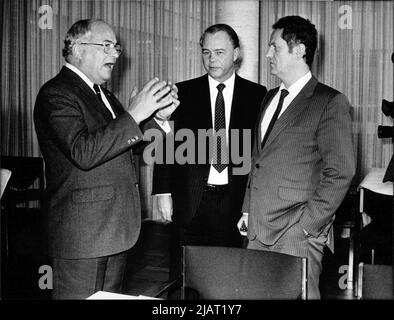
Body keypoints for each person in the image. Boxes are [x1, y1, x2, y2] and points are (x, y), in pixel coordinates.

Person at [33, 19, 179, 299]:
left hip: (112, 230)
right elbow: (83, 152)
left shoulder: (104, 95)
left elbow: (124, 145)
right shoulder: (57, 93)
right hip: (82, 236)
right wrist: (135, 114)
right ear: (77, 49)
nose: (115, 54)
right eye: (106, 46)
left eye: (116, 48)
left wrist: (158, 120)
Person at [237, 15, 356, 299]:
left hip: (297, 233)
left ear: (300, 49)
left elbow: (341, 172)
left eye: (274, 47)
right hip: (257, 229)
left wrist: (309, 226)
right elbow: (259, 159)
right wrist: (247, 208)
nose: (268, 54)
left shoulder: (329, 102)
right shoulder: (269, 98)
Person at [153, 24, 266, 281]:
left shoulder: (257, 95)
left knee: (229, 274)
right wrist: (163, 191)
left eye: (219, 52)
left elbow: (260, 153)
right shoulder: (182, 92)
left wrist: (253, 205)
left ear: (236, 53)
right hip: (190, 198)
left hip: (235, 201)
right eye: (206, 52)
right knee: (184, 276)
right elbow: (167, 140)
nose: (211, 59)